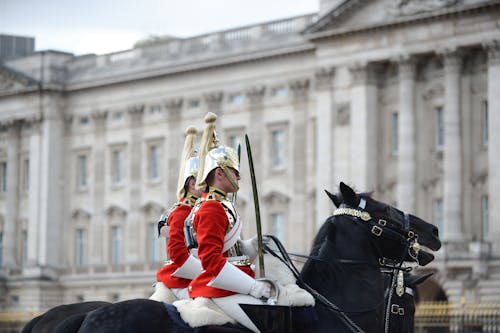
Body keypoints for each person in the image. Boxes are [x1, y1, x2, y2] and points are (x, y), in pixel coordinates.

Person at [185, 112, 272, 333]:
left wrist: (252, 246)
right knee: (272, 324)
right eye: (235, 171)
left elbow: (231, 252)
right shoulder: (212, 207)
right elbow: (212, 260)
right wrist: (253, 287)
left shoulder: (222, 204)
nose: (239, 176)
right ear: (221, 174)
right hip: (220, 288)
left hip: (232, 282)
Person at [149, 125, 204, 302]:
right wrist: (211, 271)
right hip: (180, 281)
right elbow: (178, 255)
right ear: (192, 184)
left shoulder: (200, 209)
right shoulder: (182, 212)